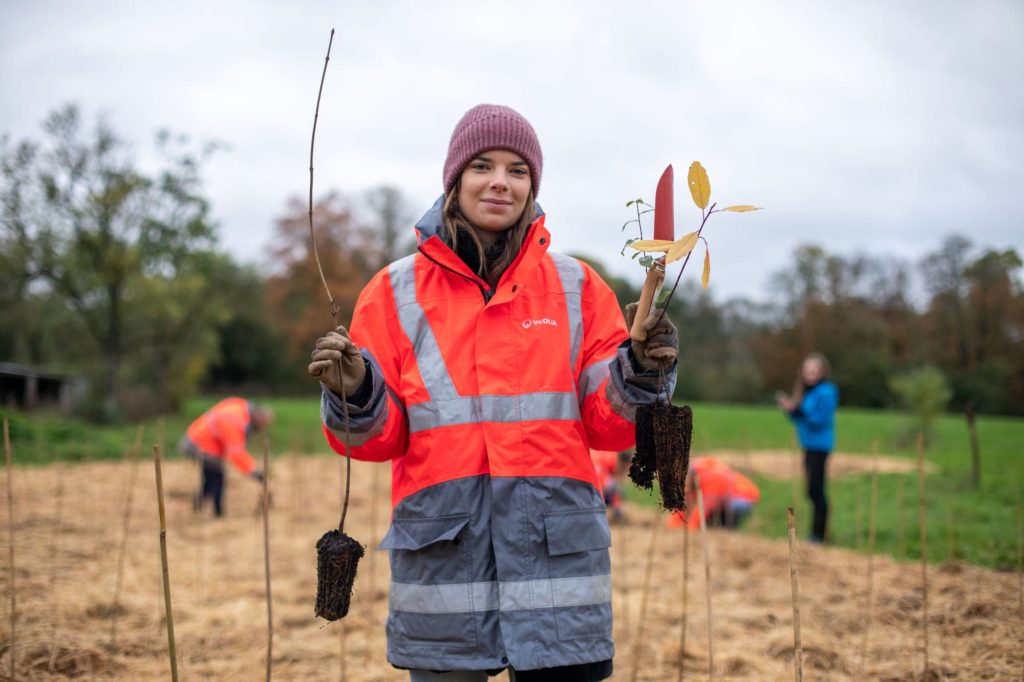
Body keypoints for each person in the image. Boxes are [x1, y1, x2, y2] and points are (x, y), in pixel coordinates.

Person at [308, 104, 678, 681]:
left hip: (559, 576)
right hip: (445, 573)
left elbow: (609, 428)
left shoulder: (578, 287)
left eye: (518, 169)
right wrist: (355, 392)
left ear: (534, 186)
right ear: (454, 180)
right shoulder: (392, 292)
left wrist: (641, 373)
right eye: (482, 165)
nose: (500, 181)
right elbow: (376, 441)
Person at [776, 352, 839, 542]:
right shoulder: (809, 392)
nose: (809, 375)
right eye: (807, 371)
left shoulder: (827, 391)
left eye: (814, 371)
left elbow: (818, 419)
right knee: (811, 490)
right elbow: (801, 419)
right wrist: (790, 410)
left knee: (816, 490)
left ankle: (819, 535)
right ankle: (817, 534)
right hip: (809, 446)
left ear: (822, 372)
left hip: (820, 447)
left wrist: (796, 410)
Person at [177, 397, 272, 517]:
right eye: (261, 425)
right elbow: (236, 453)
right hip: (199, 446)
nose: (259, 429)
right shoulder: (236, 422)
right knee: (217, 477)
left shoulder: (241, 407)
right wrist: (254, 471)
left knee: (211, 477)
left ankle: (200, 504)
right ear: (258, 417)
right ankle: (217, 513)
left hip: (197, 441)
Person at [667, 456, 760, 530]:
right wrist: (673, 525)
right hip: (721, 502)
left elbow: (704, 508)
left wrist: (691, 528)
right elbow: (684, 504)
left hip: (742, 497)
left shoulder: (711, 478)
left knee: (736, 507)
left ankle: (729, 530)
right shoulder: (692, 480)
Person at [590, 449, 631, 524]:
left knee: (615, 488)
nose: (624, 471)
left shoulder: (611, 458)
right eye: (625, 468)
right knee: (614, 487)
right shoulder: (608, 459)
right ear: (623, 462)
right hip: (591, 487)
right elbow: (600, 484)